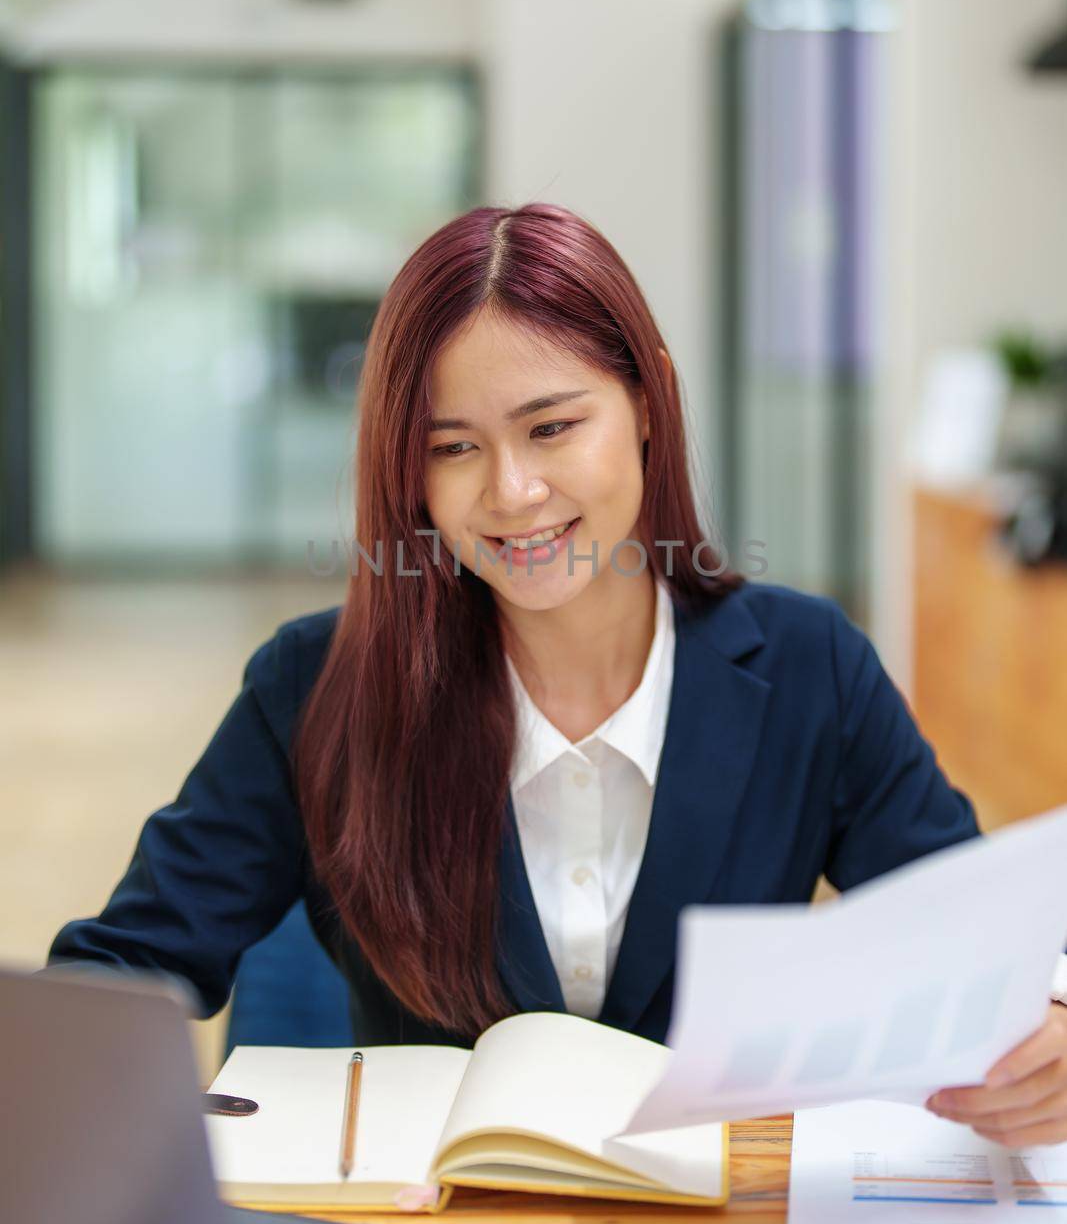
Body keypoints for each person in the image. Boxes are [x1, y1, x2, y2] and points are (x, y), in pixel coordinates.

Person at [49, 202, 1067, 1147]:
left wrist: (1049, 1027)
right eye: (452, 448)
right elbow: (115, 978)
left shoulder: (808, 668)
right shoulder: (318, 687)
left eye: (550, 426)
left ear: (646, 403)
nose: (512, 491)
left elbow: (971, 946)